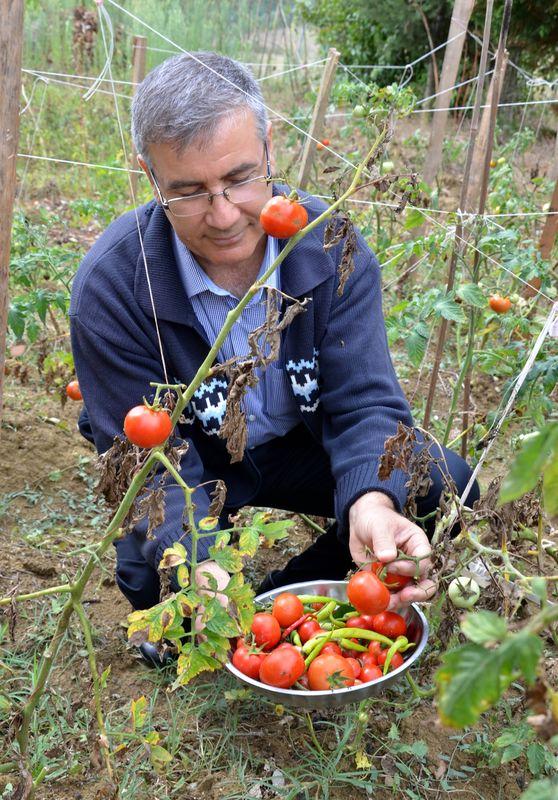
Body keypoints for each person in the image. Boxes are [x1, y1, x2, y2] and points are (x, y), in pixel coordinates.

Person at [70, 52, 479, 656]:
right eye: (188, 192)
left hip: (301, 442)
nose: (224, 214)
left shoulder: (328, 246)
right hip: (196, 462)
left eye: (239, 178)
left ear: (270, 146)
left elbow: (364, 401)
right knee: (160, 593)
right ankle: (228, 605)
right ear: (150, 178)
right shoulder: (113, 287)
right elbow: (147, 467)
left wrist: (370, 500)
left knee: (446, 488)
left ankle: (284, 599)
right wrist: (198, 567)